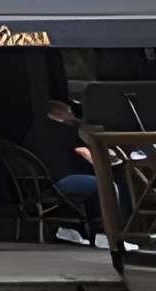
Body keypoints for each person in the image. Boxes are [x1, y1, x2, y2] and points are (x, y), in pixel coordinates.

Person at [27, 97, 107, 246]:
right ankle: (105, 230)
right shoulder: (67, 131)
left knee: (92, 182)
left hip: (35, 185)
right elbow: (85, 154)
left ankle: (82, 229)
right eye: (69, 113)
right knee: (105, 183)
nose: (72, 116)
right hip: (58, 182)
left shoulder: (34, 132)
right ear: (58, 112)